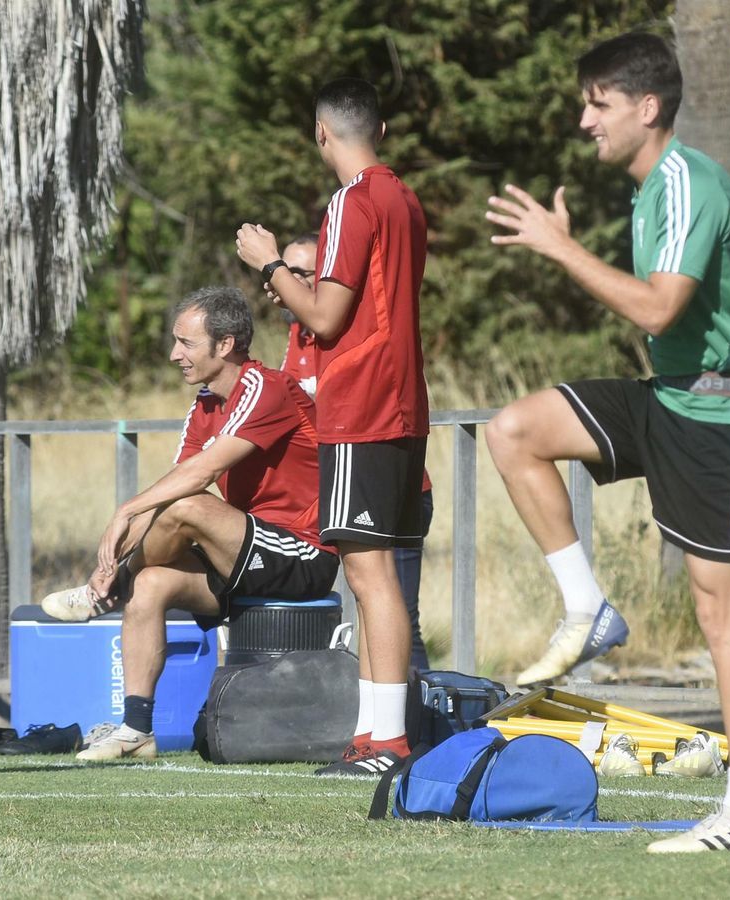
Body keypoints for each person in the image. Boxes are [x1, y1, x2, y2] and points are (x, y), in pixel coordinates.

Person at [482, 32, 730, 852]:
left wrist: (560, 247)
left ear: (647, 109)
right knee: (514, 431)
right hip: (674, 397)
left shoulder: (688, 180)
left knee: (722, 620)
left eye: (598, 104)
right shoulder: (656, 190)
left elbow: (657, 310)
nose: (585, 121)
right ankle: (588, 606)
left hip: (725, 418)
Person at [45, 287, 340, 761]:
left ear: (224, 345)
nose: (173, 354)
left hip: (302, 554)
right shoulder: (206, 403)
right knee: (153, 582)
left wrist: (124, 512)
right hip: (245, 555)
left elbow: (199, 478)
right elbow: (173, 488)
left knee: (188, 506)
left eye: (185, 343)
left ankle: (108, 590)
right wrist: (127, 539)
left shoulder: (268, 388)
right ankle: (136, 730)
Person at [236, 77, 428, 776]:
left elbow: (324, 316)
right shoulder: (405, 197)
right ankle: (376, 733)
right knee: (381, 577)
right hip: (405, 403)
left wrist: (271, 265)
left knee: (369, 575)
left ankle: (387, 740)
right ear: (378, 128)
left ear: (323, 133)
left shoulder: (354, 200)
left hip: (363, 404)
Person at [279, 233, 435, 673]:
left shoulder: (345, 329)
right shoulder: (296, 333)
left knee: (397, 611)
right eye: (280, 270)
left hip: (389, 489)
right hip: (342, 493)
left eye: (301, 274)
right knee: (369, 609)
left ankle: (421, 719)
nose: (285, 282)